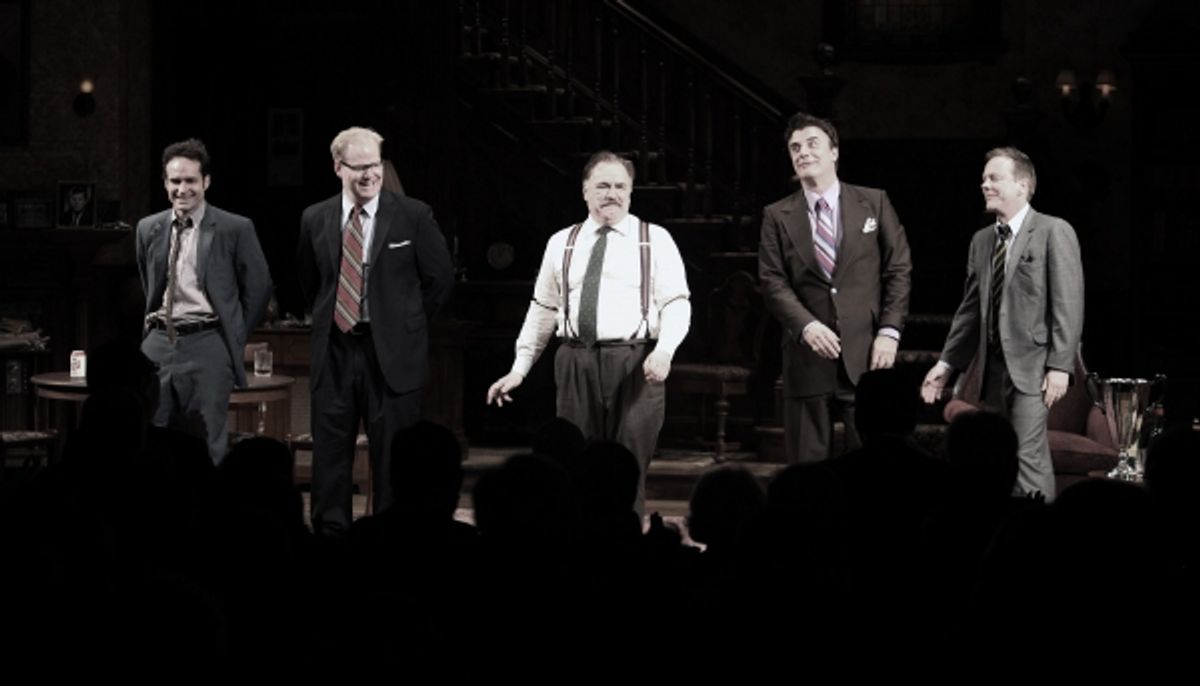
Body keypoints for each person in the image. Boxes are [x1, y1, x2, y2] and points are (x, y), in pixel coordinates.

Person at [487, 150, 691, 515]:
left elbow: (677, 302)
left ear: (630, 191)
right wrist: (519, 369)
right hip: (575, 360)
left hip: (636, 362)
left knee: (627, 463)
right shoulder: (561, 242)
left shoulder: (654, 239)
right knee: (572, 461)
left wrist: (665, 351)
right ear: (585, 191)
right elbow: (543, 309)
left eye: (620, 186)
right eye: (602, 185)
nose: (612, 193)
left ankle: (626, 544)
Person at [297, 126, 454, 536]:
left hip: (392, 356)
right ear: (338, 167)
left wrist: (405, 324)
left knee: (391, 459)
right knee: (330, 457)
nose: (369, 174)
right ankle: (331, 541)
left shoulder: (413, 215)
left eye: (375, 165)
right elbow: (309, 282)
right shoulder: (315, 217)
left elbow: (439, 279)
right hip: (335, 350)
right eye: (359, 166)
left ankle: (388, 541)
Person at [921, 146, 1084, 500]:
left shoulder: (1053, 231)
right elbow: (968, 312)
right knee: (994, 457)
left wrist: (1060, 365)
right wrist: (946, 363)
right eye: (983, 179)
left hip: (1033, 368)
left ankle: (1035, 537)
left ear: (1023, 186)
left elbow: (1068, 303)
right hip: (992, 371)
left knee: (1028, 457)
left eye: (995, 178)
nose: (985, 185)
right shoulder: (981, 241)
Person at [758, 112, 912, 464]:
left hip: (867, 354)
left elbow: (899, 269)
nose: (803, 152)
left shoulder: (874, 202)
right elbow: (771, 280)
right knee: (808, 474)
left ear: (834, 152)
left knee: (871, 470)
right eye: (795, 147)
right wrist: (806, 325)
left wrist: (889, 331)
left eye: (812, 144)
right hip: (806, 358)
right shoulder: (776, 215)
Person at [136, 138, 272, 464]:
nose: (183, 189)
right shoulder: (148, 228)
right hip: (157, 342)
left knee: (209, 442)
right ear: (165, 183)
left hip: (207, 340)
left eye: (191, 181)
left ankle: (208, 513)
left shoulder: (234, 228)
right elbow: (149, 281)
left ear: (206, 182)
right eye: (175, 181)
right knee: (150, 438)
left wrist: (234, 333)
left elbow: (259, 286)